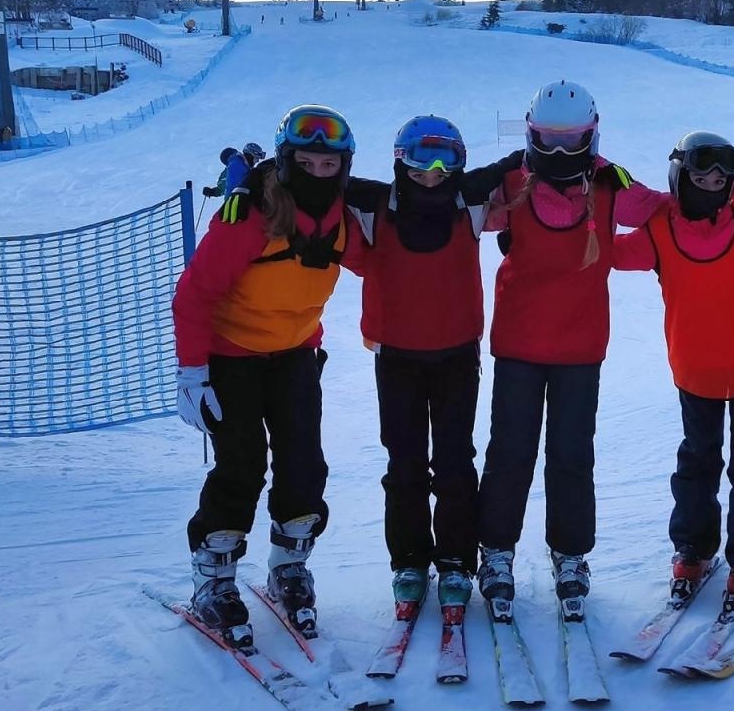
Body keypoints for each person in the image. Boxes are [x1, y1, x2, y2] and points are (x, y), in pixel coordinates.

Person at [170, 104, 363, 645]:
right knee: (241, 466)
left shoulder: (345, 214)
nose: (319, 173)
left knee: (304, 464)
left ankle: (289, 566)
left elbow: (379, 263)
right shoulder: (249, 214)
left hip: (296, 355)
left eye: (330, 165)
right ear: (285, 160)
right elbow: (193, 295)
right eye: (307, 162)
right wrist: (193, 372)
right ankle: (214, 577)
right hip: (231, 358)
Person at [475, 81, 666, 620]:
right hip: (518, 343)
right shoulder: (511, 182)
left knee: (571, 454)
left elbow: (671, 208)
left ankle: (571, 555)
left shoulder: (609, 183)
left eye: (572, 140)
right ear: (531, 135)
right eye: (548, 141)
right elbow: (450, 211)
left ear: (592, 135)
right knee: (509, 452)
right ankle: (496, 552)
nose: (559, 153)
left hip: (581, 347)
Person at [614, 131, 734, 613]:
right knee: (697, 462)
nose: (713, 185)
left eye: (723, 178)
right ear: (680, 177)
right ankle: (693, 547)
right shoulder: (660, 228)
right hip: (697, 370)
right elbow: (607, 253)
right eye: (701, 176)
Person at [344, 116, 517, 624]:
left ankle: (457, 562)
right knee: (404, 464)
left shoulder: (472, 200)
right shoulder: (372, 204)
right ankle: (410, 563)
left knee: (455, 462)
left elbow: (532, 164)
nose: (432, 176)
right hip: (395, 357)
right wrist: (253, 175)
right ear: (401, 162)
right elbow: (310, 179)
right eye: (420, 166)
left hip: (457, 356)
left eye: (444, 167)